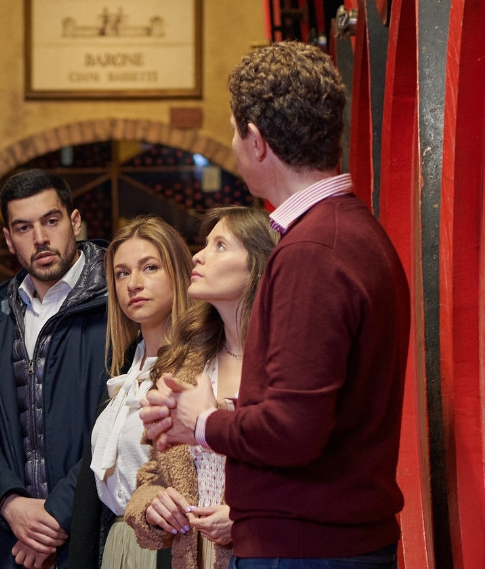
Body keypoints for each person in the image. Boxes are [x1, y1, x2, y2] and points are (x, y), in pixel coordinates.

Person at [141, 42, 411, 567]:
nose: (235, 147)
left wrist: (202, 421)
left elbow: (293, 433)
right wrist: (201, 417)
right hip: (329, 541)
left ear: (257, 141)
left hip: (306, 548)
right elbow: (317, 410)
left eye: (234, 132)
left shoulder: (312, 251)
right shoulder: (351, 231)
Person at [0, 169, 109, 569]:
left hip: (99, 537)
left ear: (74, 222)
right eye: (23, 227)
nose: (39, 238)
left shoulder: (117, 301)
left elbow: (123, 427)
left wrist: (57, 514)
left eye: (51, 221)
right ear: (8, 239)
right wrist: (10, 504)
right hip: (18, 544)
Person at [125, 207, 277, 569]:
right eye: (204, 244)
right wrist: (153, 504)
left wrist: (246, 516)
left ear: (257, 265)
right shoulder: (186, 364)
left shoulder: (285, 364)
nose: (198, 255)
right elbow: (153, 474)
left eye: (220, 245)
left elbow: (314, 472)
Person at [85, 216, 193, 569]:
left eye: (149, 267)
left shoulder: (197, 367)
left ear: (178, 273)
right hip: (118, 540)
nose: (134, 283)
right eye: (121, 273)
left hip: (169, 545)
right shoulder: (128, 367)